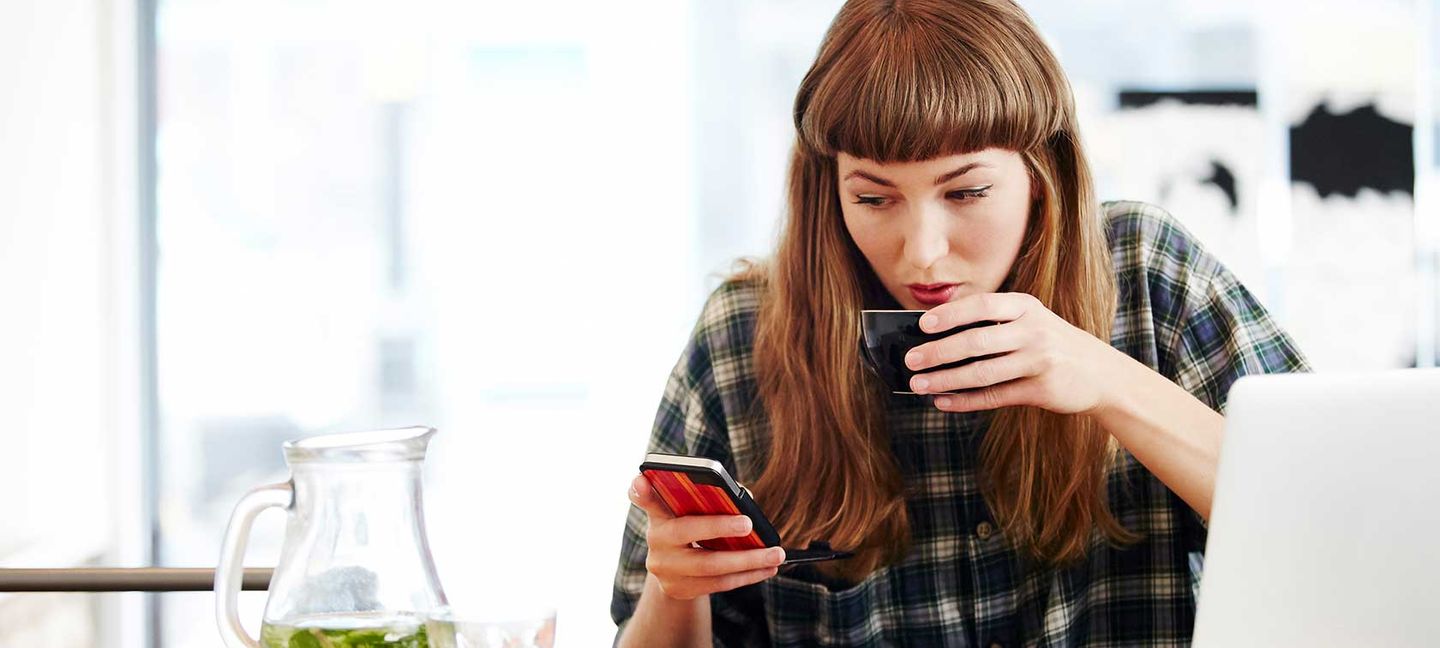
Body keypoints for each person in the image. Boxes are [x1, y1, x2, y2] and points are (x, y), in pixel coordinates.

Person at [611, 0, 1308, 645]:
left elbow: (1336, 526)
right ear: (831, 189)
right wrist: (677, 591)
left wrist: (1106, 380)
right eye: (875, 199)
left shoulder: (1148, 275)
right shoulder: (744, 334)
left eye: (968, 191)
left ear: (1042, 170)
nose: (923, 253)